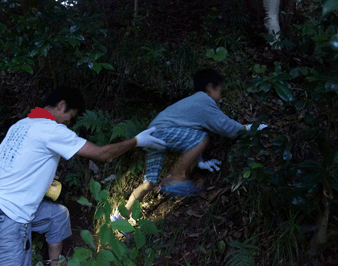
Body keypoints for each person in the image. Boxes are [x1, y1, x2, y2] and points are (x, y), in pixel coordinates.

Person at [0, 86, 166, 266]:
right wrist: (136, 141)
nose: (70, 121)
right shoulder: (52, 130)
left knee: (57, 216)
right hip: (9, 217)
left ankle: (53, 263)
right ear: (62, 105)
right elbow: (102, 154)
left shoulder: (20, 124)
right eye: (72, 115)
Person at [111, 69, 267, 223]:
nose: (221, 97)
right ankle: (175, 178)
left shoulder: (194, 102)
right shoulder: (204, 101)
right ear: (210, 88)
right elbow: (228, 128)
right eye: (220, 91)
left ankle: (121, 216)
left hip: (152, 134)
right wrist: (251, 128)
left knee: (149, 182)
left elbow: (188, 136)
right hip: (163, 132)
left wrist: (200, 161)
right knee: (203, 138)